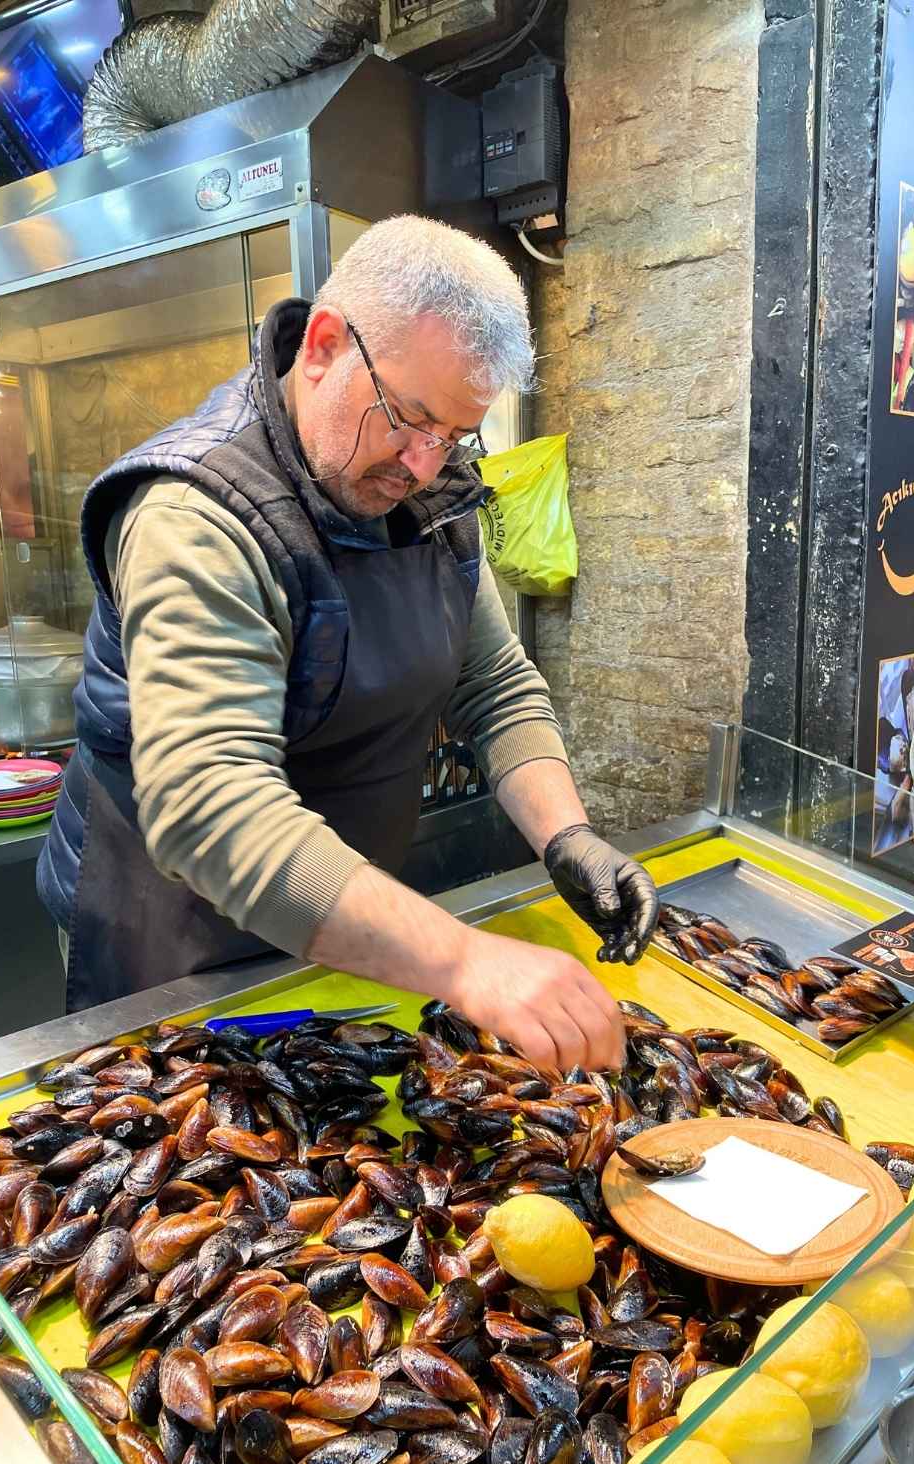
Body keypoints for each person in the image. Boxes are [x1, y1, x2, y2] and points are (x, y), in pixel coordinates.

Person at [38, 215, 658, 1069]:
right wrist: (465, 960)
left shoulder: (423, 498)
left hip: (347, 919)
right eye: (408, 418)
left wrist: (567, 836)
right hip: (176, 936)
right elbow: (211, 804)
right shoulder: (195, 517)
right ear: (324, 345)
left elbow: (495, 684)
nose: (424, 465)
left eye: (454, 436)